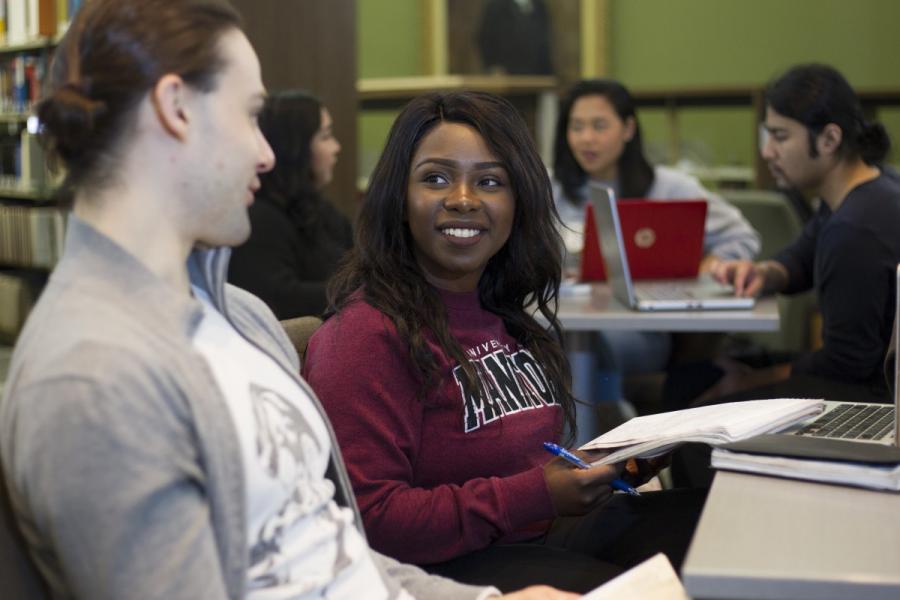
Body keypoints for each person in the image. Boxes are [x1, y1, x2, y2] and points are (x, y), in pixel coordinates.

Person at [0, 2, 574, 599]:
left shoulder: (239, 317)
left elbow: (335, 550)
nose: (267, 155)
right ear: (175, 110)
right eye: (251, 117)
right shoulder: (92, 377)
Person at [303, 90, 707, 593]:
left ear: (518, 203)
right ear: (398, 199)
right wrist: (538, 494)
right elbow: (370, 519)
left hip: (543, 535)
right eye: (436, 178)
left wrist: (596, 471)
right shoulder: (363, 336)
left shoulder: (500, 309)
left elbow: (520, 464)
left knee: (717, 529)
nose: (464, 199)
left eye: (490, 181)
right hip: (453, 572)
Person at [551, 79, 762, 410]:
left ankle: (605, 437)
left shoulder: (669, 188)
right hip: (561, 321)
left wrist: (706, 266)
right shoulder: (550, 189)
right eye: (576, 127)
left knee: (587, 352)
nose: (586, 138)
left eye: (599, 126)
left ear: (628, 128)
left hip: (637, 331)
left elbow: (743, 237)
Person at [706, 63, 900, 404]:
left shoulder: (854, 230)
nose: (768, 152)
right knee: (703, 377)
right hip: (854, 379)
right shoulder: (863, 188)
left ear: (829, 139)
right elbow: (803, 256)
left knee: (706, 406)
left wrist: (753, 380)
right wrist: (766, 273)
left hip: (866, 399)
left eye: (780, 137)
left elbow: (846, 363)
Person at [228, 90, 352, 319]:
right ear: (296, 147)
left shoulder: (323, 211)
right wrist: (363, 292)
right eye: (325, 136)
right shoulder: (260, 219)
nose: (336, 147)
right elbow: (278, 299)